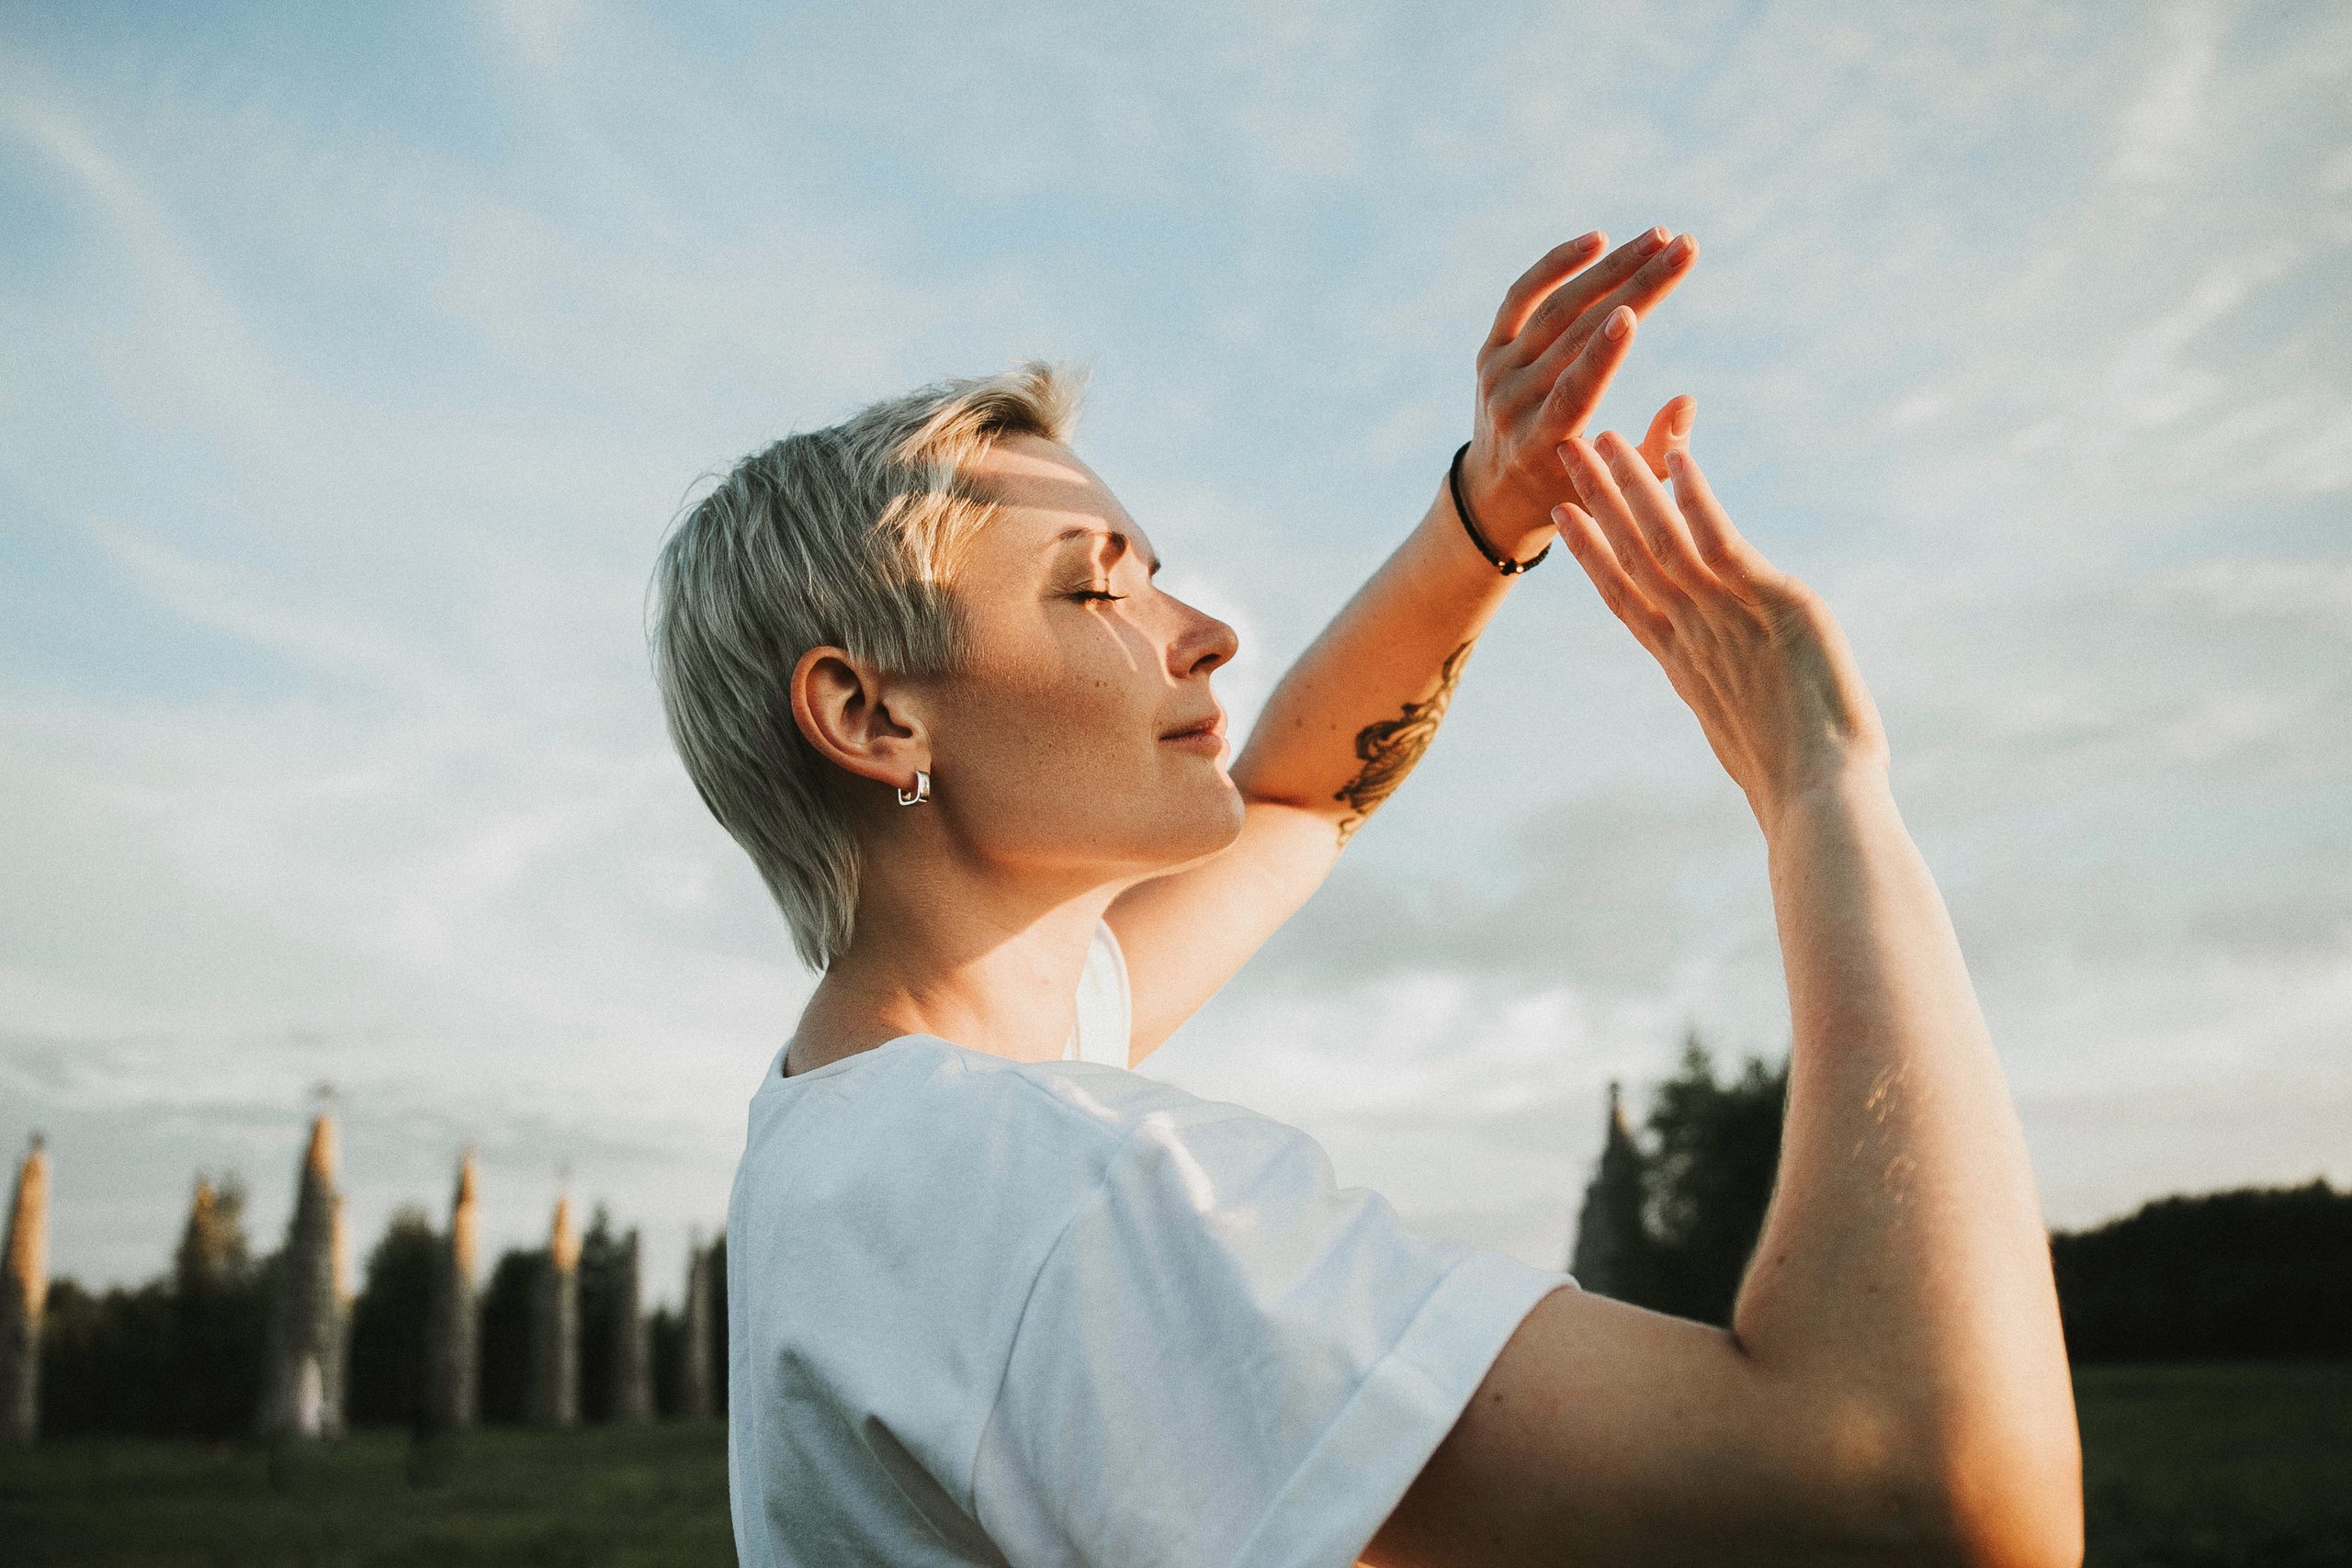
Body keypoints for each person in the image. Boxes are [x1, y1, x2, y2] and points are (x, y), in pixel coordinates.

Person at [650, 228, 2082, 1568]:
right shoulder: (1052, 1188)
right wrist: (1823, 788)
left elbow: (1299, 799)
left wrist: (1489, 512)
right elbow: (1921, 1487)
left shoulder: (863, 1123)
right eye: (1096, 594)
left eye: (1163, 579)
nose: (1206, 635)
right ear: (870, 714)